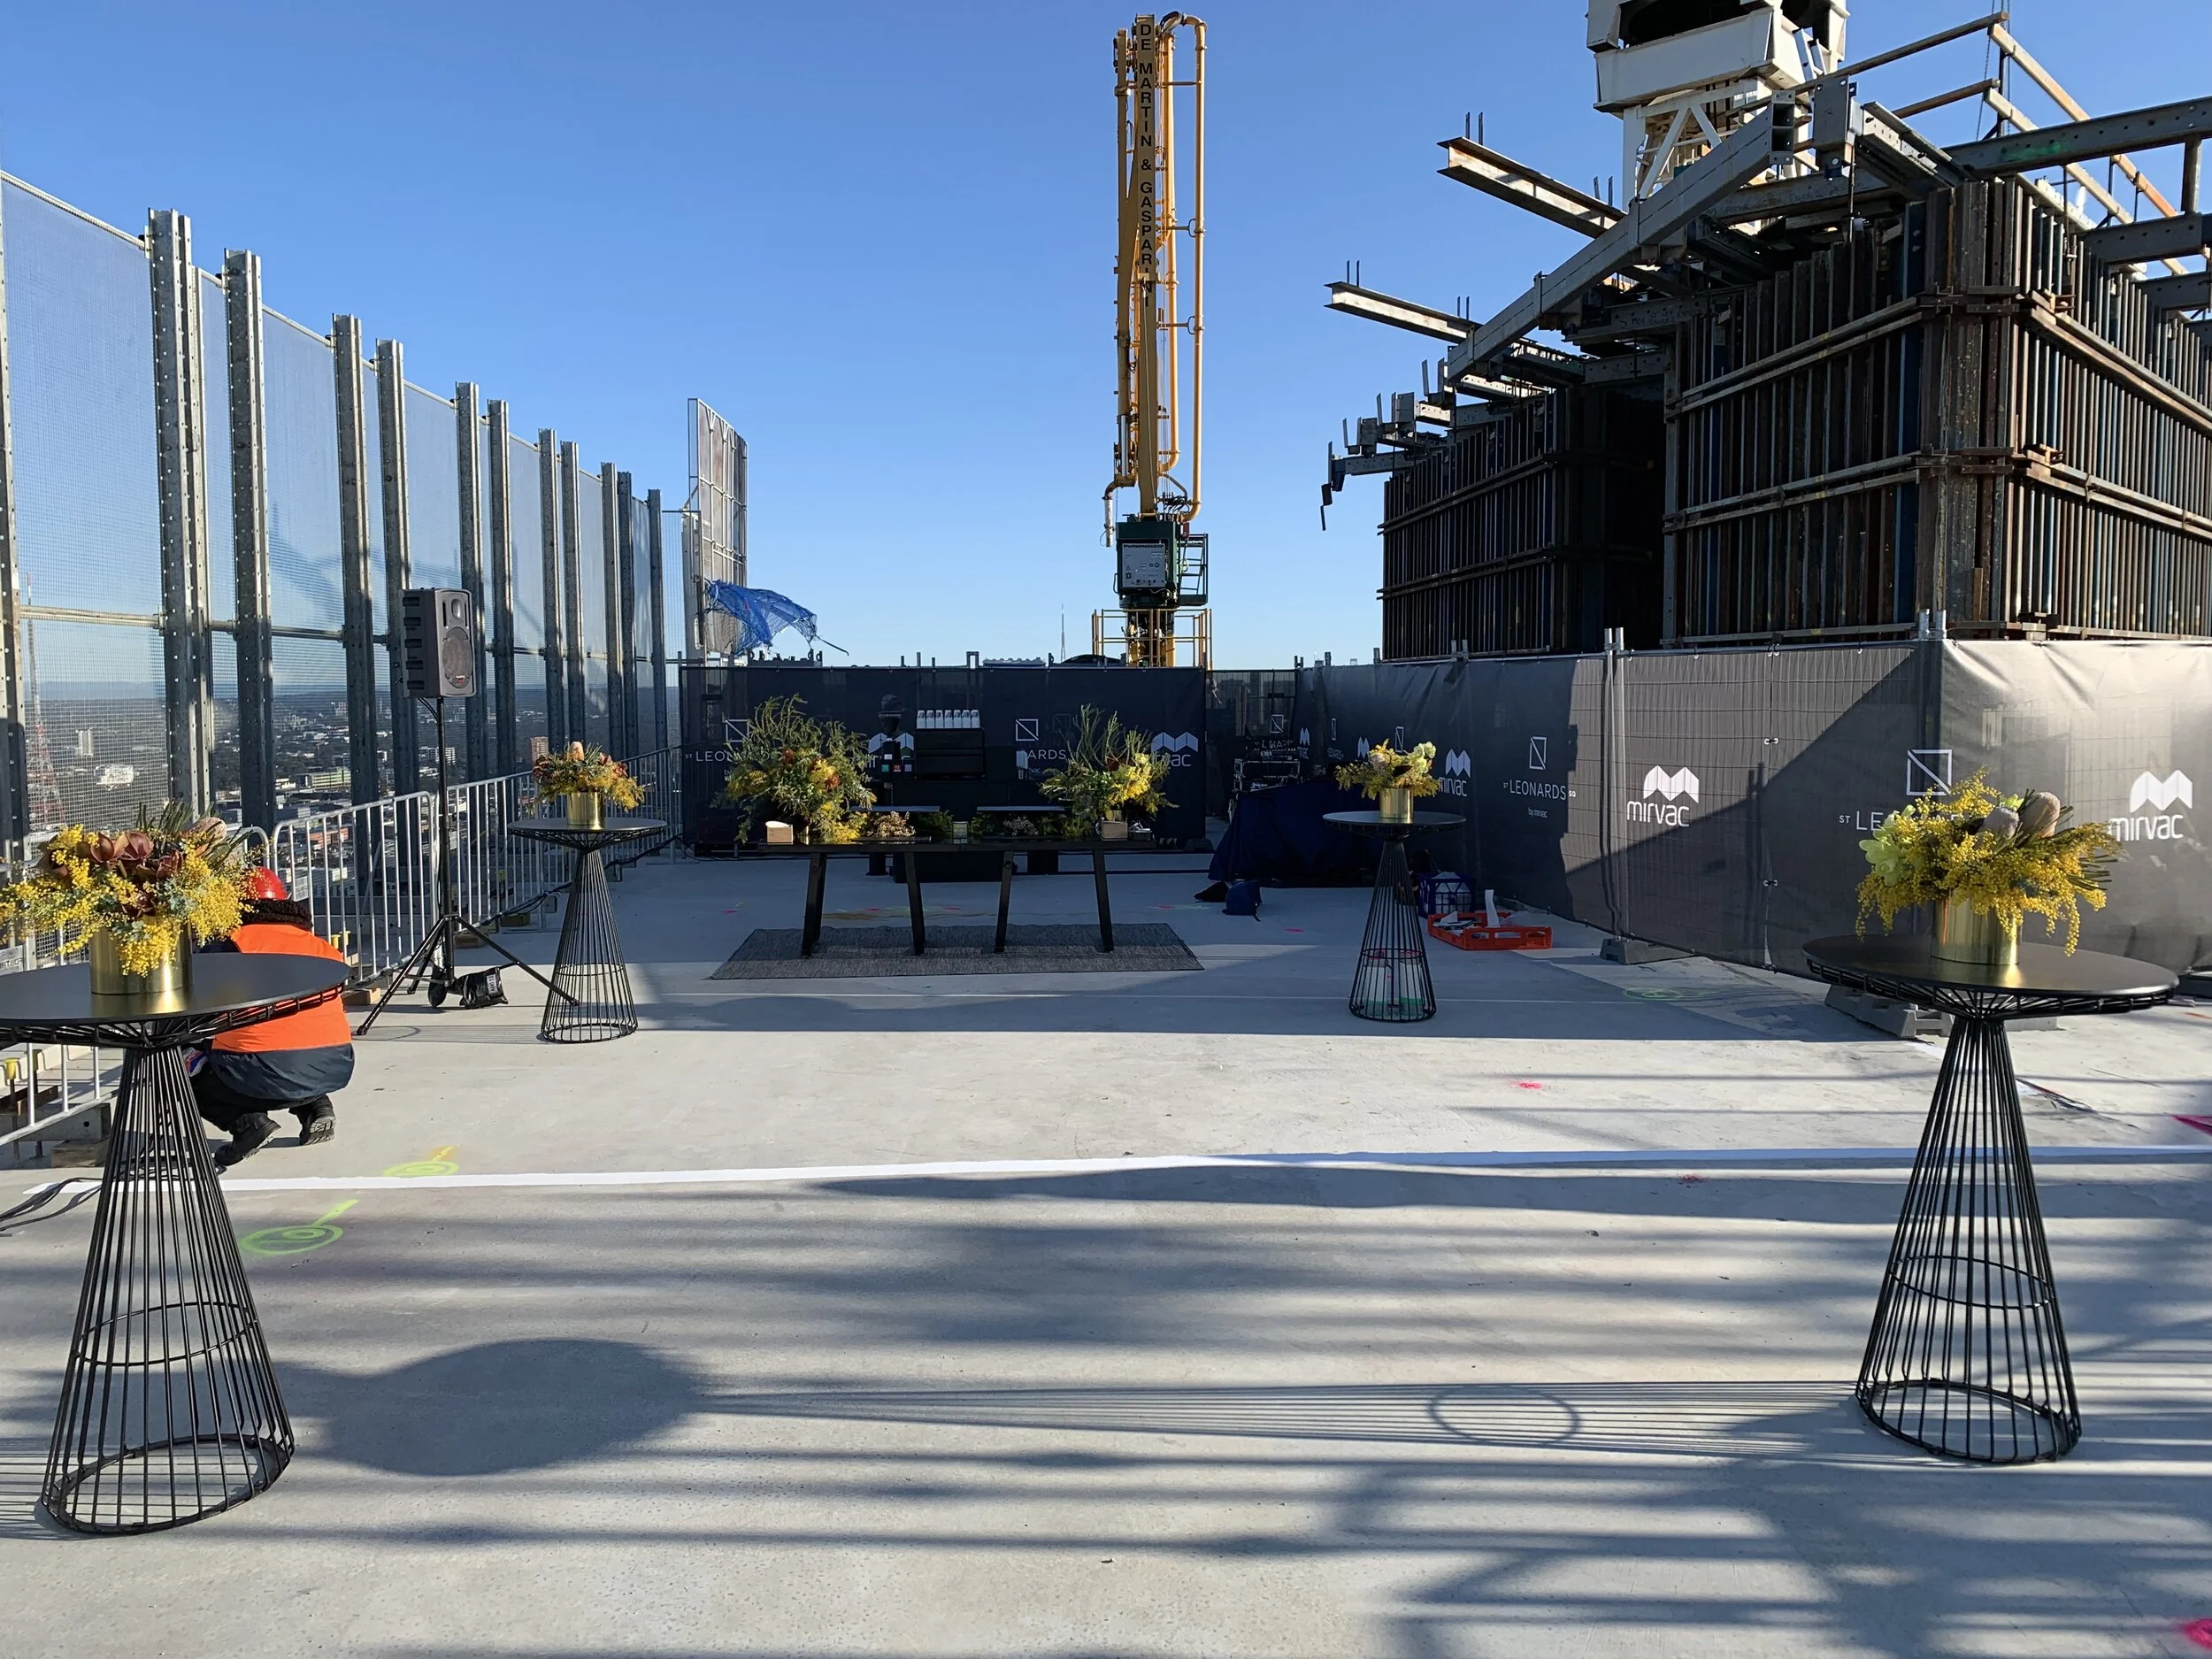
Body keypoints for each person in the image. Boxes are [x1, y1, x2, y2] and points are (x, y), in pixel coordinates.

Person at [193, 868, 354, 1167]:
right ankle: (315, 1106)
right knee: (298, 1039)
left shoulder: (228, 946)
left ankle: (247, 1124)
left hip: (258, 1073)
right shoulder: (322, 948)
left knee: (181, 1062)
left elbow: (196, 1002)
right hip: (332, 1065)